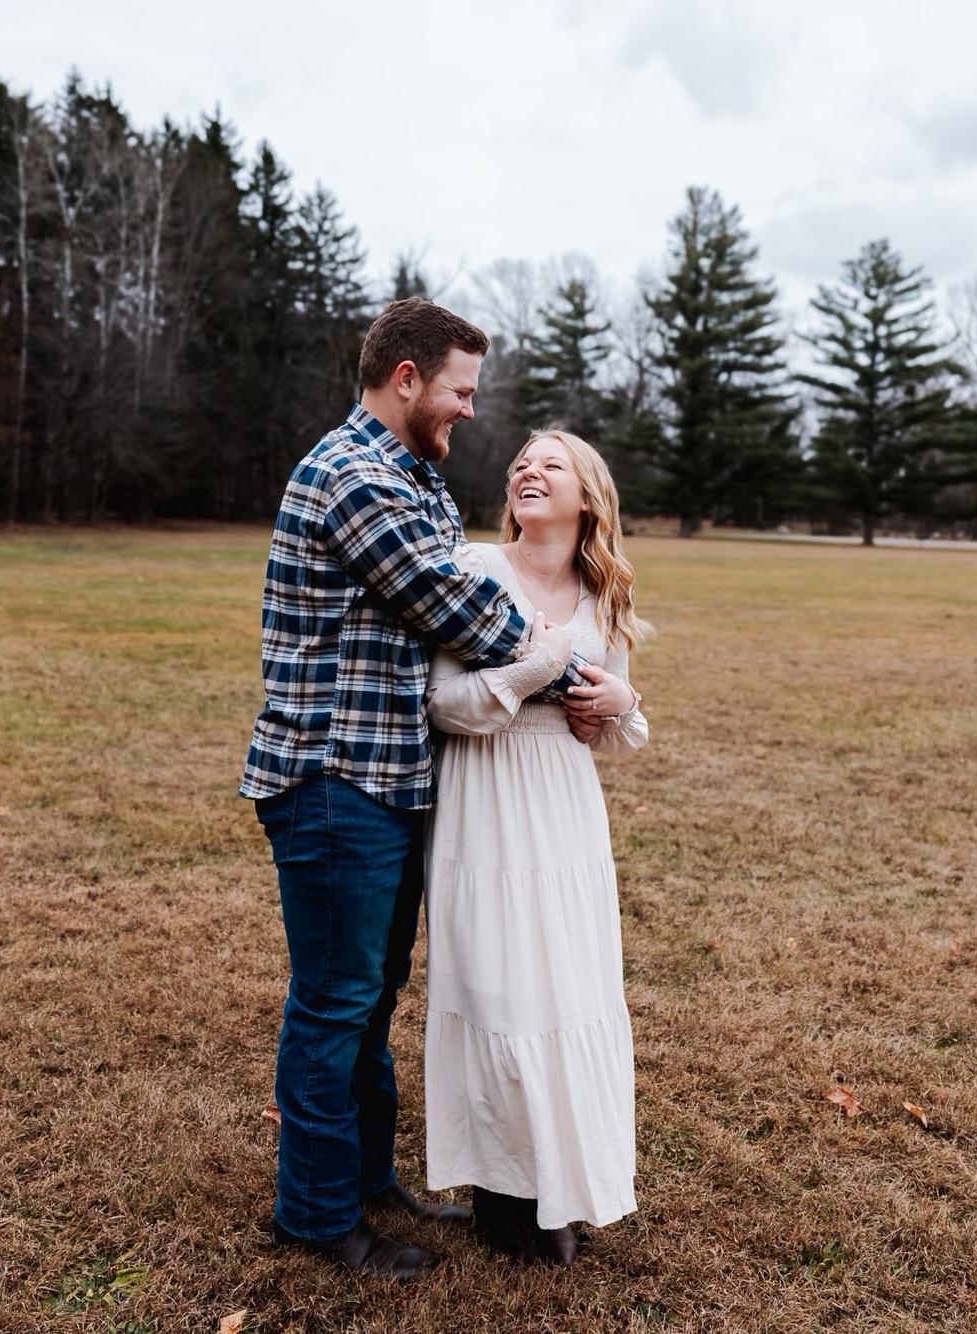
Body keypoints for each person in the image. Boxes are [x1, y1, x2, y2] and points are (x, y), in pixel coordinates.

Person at [238, 300, 582, 1279]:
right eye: (459, 390)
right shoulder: (354, 476)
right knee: (335, 1001)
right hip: (333, 779)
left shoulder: (412, 477)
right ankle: (315, 1218)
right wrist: (566, 662)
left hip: (388, 779)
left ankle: (365, 1180)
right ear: (405, 379)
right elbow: (456, 607)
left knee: (373, 996)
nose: (469, 409)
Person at [424, 428, 649, 1265]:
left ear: (586, 497)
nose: (529, 470)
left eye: (551, 464)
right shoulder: (476, 569)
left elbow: (617, 727)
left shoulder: (604, 596)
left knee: (565, 989)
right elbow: (443, 705)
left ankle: (562, 1182)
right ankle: (503, 1196)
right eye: (522, 462)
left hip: (564, 810)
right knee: (497, 987)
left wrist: (619, 701)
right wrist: (531, 671)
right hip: (484, 797)